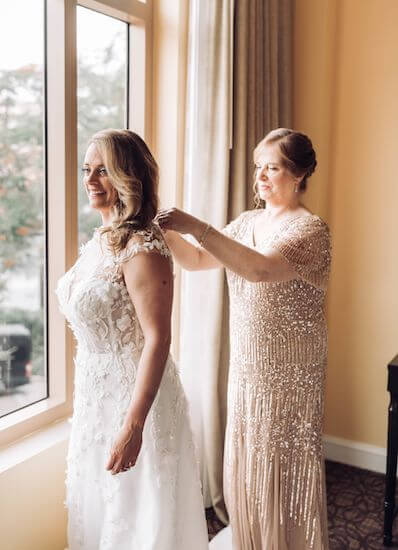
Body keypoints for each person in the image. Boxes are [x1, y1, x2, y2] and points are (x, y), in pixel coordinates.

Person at [157, 128, 331, 550]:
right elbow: (198, 260)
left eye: (272, 167)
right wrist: (163, 228)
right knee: (248, 461)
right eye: (259, 168)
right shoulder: (249, 221)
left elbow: (259, 269)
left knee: (283, 464)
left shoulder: (311, 230)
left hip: (291, 376)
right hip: (248, 368)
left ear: (299, 173)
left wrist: (198, 225)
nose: (261, 177)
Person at [56, 129, 208, 550]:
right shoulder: (100, 242)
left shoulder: (143, 246)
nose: (90, 180)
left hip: (136, 401)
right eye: (87, 170)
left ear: (130, 176)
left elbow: (159, 339)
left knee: (137, 514)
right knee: (101, 508)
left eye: (103, 170)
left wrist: (134, 426)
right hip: (94, 397)